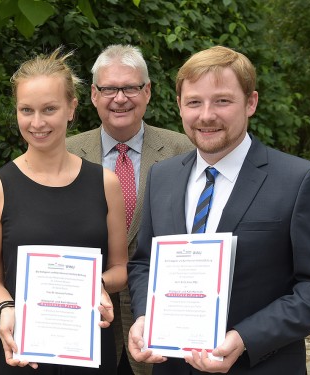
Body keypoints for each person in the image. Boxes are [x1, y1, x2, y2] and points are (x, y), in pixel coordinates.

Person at [127, 45, 310, 374]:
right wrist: (147, 316)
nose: (206, 115)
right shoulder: (163, 176)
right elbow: (145, 262)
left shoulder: (299, 180)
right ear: (179, 106)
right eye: (194, 102)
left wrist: (246, 337)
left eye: (222, 100)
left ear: (251, 103)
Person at [0, 48, 129, 374]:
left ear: (72, 108)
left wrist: (92, 285)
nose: (37, 122)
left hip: (88, 350)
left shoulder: (105, 183)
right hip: (22, 351)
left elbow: (120, 268)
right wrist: (6, 307)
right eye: (26, 110)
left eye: (49, 109)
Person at [66, 44, 193, 375]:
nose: (119, 98)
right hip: (83, 323)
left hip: (160, 323)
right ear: (93, 95)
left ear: (147, 91)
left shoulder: (184, 151)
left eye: (130, 87)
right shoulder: (65, 153)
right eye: (108, 88)